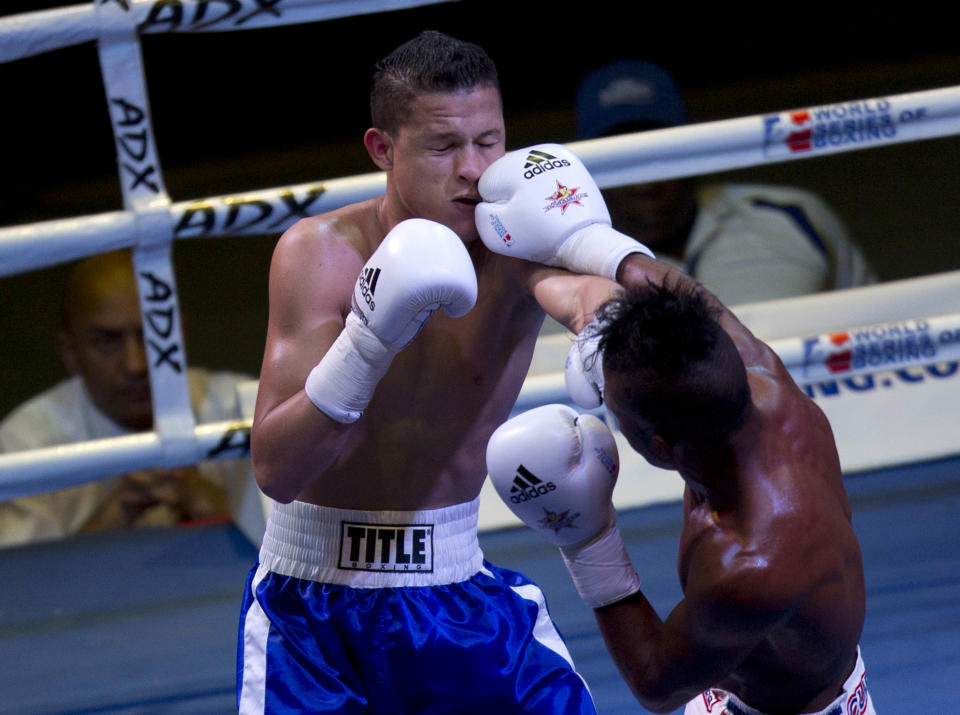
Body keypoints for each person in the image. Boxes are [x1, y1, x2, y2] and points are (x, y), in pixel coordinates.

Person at [237, 31, 654, 714]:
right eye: (443, 146)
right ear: (382, 149)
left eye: (488, 141)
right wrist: (367, 342)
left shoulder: (517, 244)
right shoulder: (319, 254)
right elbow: (277, 469)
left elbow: (584, 296)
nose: (472, 169)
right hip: (308, 614)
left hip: (457, 594)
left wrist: (606, 331)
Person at [479, 144, 873, 713]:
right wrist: (572, 242)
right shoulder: (752, 371)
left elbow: (657, 684)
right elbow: (654, 281)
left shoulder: (750, 562)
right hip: (761, 673)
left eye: (615, 412)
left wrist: (587, 536)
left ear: (660, 446)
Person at [573, 58, 877, 307]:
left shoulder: (793, 215)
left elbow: (878, 320)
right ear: (589, 167)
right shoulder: (566, 271)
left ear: (691, 146)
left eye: (657, 149)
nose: (642, 176)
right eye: (620, 155)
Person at [0, 249, 252, 546]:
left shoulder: (242, 408)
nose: (136, 365)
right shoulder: (24, 445)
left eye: (153, 335)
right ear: (71, 354)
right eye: (107, 342)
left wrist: (212, 507)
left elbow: (307, 561)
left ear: (179, 336)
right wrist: (114, 515)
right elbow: (22, 584)